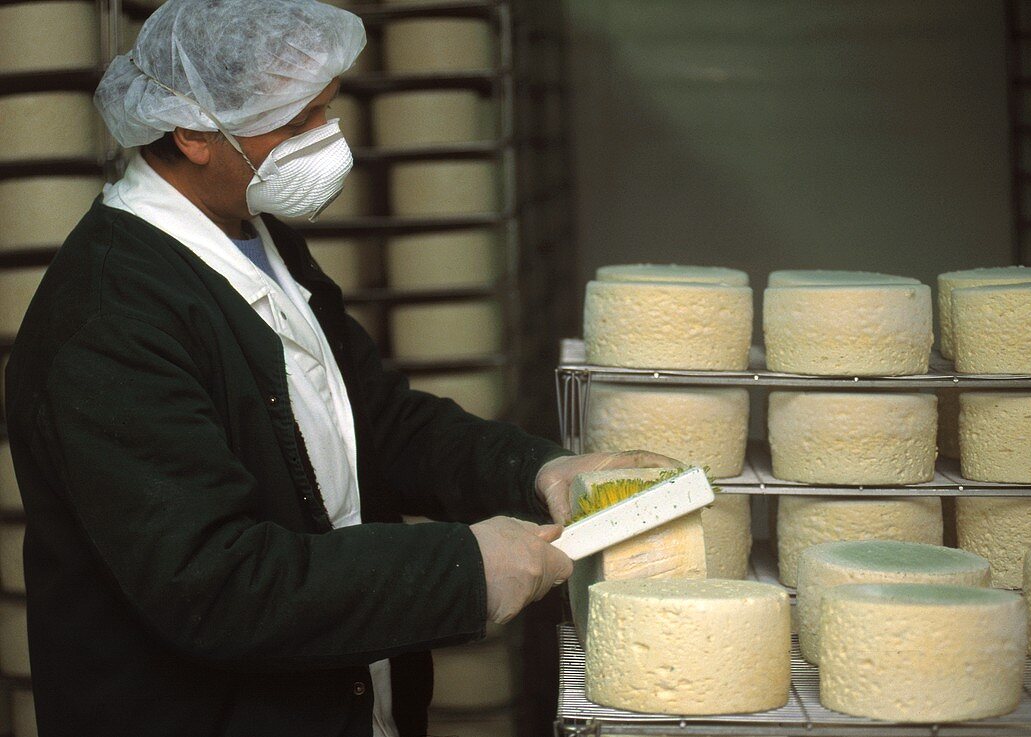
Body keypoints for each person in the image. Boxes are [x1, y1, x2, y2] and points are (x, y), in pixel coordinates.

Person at [2, 1, 674, 735]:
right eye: (296, 124)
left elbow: (376, 420)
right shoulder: (110, 320)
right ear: (193, 132)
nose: (327, 143)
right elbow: (215, 583)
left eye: (327, 112)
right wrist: (463, 569)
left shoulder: (257, 238)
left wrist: (538, 471)